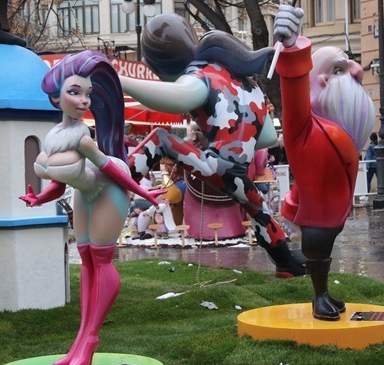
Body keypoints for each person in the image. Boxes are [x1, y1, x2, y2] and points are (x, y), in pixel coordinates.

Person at [119, 15, 305, 278]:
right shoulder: (246, 83)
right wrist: (223, 129)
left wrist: (120, 81)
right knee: (258, 210)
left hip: (217, 164)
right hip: (239, 169)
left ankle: (118, 182)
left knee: (161, 139)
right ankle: (286, 263)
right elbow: (266, 138)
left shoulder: (199, 76)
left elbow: (176, 98)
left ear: (157, 65)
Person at [18, 50, 164, 365]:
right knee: (85, 259)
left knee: (101, 259)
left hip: (110, 187)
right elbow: (59, 182)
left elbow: (109, 169)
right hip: (86, 190)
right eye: (75, 92)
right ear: (56, 97)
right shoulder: (54, 136)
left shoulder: (83, 137)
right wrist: (39, 199)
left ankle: (91, 339)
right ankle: (80, 339)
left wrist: (142, 192)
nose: (84, 100)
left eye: (87, 93)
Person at [272, 5, 376, 321]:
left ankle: (324, 293)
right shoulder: (303, 129)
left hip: (331, 212)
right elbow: (293, 90)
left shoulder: (341, 130)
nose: (357, 72)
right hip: (315, 214)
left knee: (325, 251)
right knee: (317, 251)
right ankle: (319, 297)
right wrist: (292, 49)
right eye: (341, 69)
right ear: (322, 80)